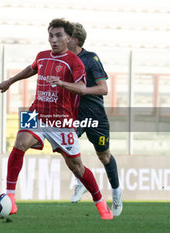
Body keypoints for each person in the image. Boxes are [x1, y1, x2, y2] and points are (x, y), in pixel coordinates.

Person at [0, 18, 113, 220]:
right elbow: (32, 68)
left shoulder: (74, 62)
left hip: (62, 121)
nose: (54, 39)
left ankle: (100, 202)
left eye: (59, 35)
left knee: (76, 167)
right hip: (37, 112)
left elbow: (82, 88)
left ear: (68, 38)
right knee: (20, 142)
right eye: (51, 35)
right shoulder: (42, 56)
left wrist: (61, 83)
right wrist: (10, 80)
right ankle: (10, 196)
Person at [67, 22, 123, 216]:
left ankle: (116, 193)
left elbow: (103, 89)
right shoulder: (63, 59)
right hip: (74, 115)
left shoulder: (90, 59)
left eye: (66, 36)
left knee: (104, 156)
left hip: (95, 116)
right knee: (67, 146)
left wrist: (83, 90)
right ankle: (83, 181)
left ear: (75, 40)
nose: (62, 39)